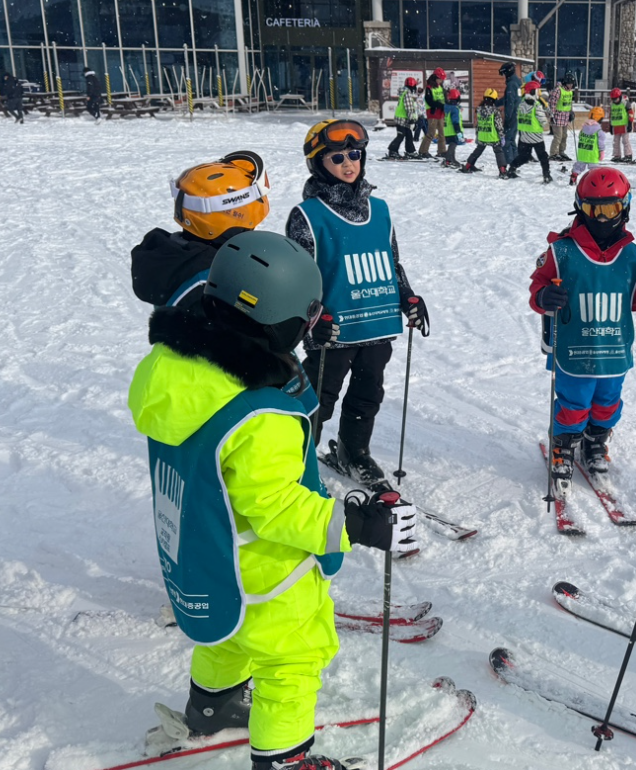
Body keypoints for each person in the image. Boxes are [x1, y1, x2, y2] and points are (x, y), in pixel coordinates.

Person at [129, 229, 418, 770]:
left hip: (203, 548)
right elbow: (277, 506)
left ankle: (211, 708)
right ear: (280, 317)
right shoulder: (260, 415)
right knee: (291, 659)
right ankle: (285, 760)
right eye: (305, 319)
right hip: (263, 568)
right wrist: (353, 525)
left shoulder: (174, 370)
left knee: (229, 636)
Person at [285, 120, 429, 487]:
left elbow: (391, 263)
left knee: (368, 395)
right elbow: (298, 278)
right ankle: (292, 459)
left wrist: (408, 297)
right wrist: (310, 318)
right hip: (334, 330)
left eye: (355, 155)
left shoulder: (379, 210)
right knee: (319, 397)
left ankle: (354, 450)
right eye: (337, 157)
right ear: (319, 164)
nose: (349, 163)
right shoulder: (308, 215)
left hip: (377, 325)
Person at [129, 152, 322, 424]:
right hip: (244, 405)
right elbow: (257, 346)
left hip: (196, 391)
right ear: (235, 212)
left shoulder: (177, 257)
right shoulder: (221, 273)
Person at [529, 167, 636, 497]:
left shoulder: (631, 255)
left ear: (625, 207)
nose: (602, 218)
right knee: (574, 404)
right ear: (580, 208)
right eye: (593, 210)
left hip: (612, 348)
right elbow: (538, 287)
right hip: (574, 347)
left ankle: (595, 442)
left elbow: (630, 296)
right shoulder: (562, 251)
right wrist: (544, 296)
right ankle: (563, 444)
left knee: (607, 403)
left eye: (610, 209)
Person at [506, 80, 552, 184]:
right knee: (543, 157)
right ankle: (546, 175)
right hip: (536, 137)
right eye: (537, 91)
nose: (539, 93)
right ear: (533, 92)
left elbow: (518, 116)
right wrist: (547, 120)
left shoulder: (521, 104)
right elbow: (543, 121)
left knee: (524, 156)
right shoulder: (536, 105)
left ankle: (512, 169)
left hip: (524, 136)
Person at [460, 89, 507, 178]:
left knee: (477, 152)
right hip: (493, 137)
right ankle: (502, 171)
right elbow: (499, 126)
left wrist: (477, 135)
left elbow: (478, 124)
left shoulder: (479, 110)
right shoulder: (495, 111)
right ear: (494, 99)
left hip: (482, 136)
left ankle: (468, 166)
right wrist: (502, 136)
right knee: (499, 152)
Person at [569, 105, 606, 186]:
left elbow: (580, 136)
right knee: (594, 171)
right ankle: (594, 183)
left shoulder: (584, 128)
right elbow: (601, 143)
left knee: (578, 167)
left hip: (582, 153)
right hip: (593, 155)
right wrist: (601, 152)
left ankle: (573, 176)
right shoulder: (599, 131)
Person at [385, 77, 422, 159]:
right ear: (412, 85)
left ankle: (410, 151)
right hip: (403, 119)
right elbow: (408, 108)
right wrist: (412, 120)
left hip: (403, 119)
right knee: (400, 136)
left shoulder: (403, 92)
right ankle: (393, 150)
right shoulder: (407, 93)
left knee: (409, 135)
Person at [417, 68, 446, 158]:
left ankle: (442, 151)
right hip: (432, 113)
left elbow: (443, 97)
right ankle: (423, 151)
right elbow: (429, 100)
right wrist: (438, 105)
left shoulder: (440, 87)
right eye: (440, 79)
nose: (441, 81)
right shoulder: (429, 87)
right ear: (436, 77)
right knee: (431, 133)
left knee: (442, 133)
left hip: (440, 113)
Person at [548, 72, 577, 161]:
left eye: (572, 84)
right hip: (557, 117)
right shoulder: (558, 90)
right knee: (558, 136)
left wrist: (571, 112)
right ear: (565, 83)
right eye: (569, 83)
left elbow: (569, 104)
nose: (571, 85)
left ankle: (561, 152)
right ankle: (553, 153)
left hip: (565, 117)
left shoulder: (570, 92)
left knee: (564, 136)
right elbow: (552, 103)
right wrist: (552, 115)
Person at [500, 61, 523, 166]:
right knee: (512, 139)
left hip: (512, 114)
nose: (504, 76)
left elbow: (510, 101)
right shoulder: (517, 83)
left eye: (504, 74)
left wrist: (508, 117)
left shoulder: (511, 84)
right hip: (518, 113)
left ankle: (509, 162)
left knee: (506, 140)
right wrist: (495, 102)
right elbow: (509, 99)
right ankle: (515, 160)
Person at [608, 88, 635, 164]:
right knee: (615, 141)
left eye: (615, 99)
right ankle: (617, 155)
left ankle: (628, 155)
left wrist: (630, 122)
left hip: (624, 125)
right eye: (613, 99)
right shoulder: (612, 104)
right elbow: (611, 115)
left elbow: (630, 113)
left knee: (625, 141)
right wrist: (610, 125)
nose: (614, 101)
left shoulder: (625, 103)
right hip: (616, 126)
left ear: (619, 97)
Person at [441, 88, 465, 169]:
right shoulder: (455, 109)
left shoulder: (446, 106)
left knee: (452, 144)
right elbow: (455, 121)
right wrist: (459, 133)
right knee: (453, 144)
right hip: (453, 130)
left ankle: (452, 159)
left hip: (446, 130)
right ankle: (448, 160)